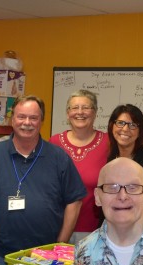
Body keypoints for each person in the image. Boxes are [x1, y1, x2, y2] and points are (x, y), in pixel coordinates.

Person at [0, 95, 85, 265]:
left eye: (33, 118)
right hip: (1, 255)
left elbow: (75, 201)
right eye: (21, 117)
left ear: (41, 121)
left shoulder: (58, 157)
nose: (27, 122)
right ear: (12, 119)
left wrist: (58, 247)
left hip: (46, 258)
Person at [49, 90, 109, 243]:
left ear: (95, 112)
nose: (80, 112)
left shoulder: (108, 143)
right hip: (56, 228)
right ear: (68, 113)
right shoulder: (54, 143)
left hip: (96, 231)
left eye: (86, 107)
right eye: (75, 108)